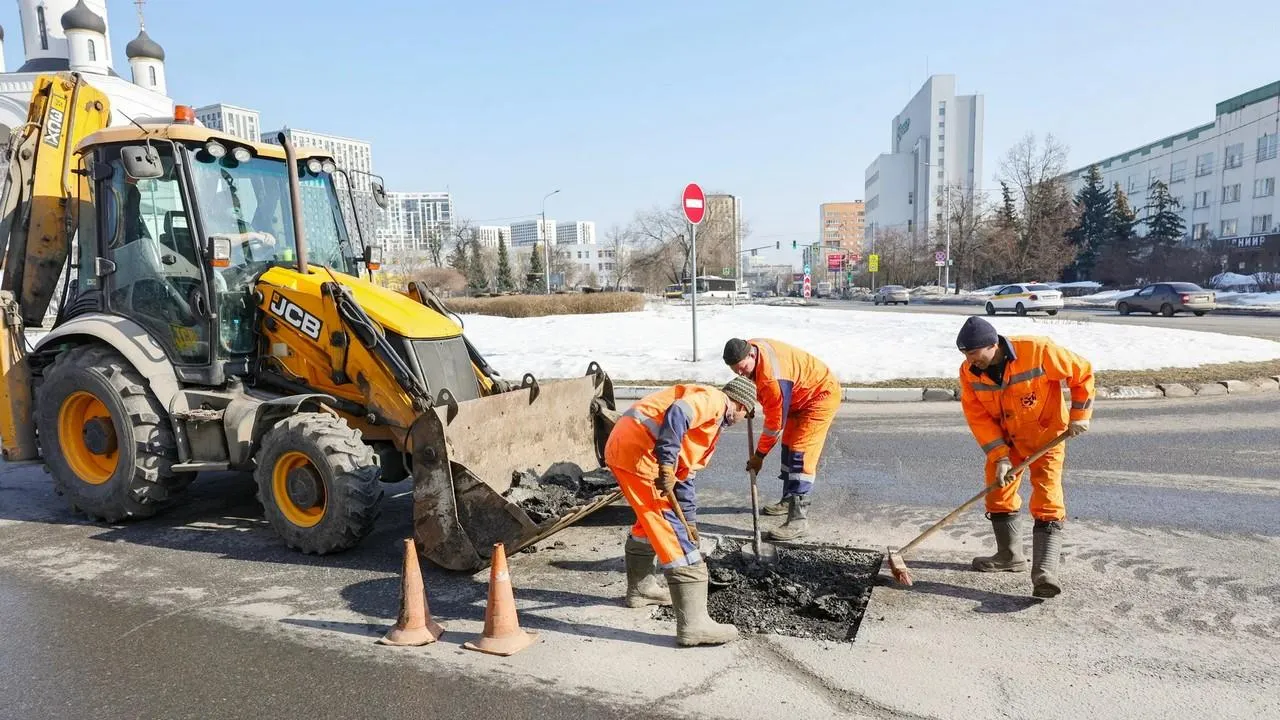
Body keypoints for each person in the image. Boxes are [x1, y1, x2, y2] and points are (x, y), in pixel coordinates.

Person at [604, 377, 758, 647]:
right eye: (747, 412)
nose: (743, 417)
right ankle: (694, 626)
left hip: (628, 448)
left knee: (650, 522)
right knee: (673, 536)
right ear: (740, 403)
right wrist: (665, 465)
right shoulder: (714, 400)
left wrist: (690, 521)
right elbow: (678, 413)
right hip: (641, 456)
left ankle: (641, 589)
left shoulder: (709, 426)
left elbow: (685, 475)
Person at [955, 316, 1095, 599]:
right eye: (965, 354)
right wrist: (1000, 455)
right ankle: (1009, 556)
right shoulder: (970, 372)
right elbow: (978, 417)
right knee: (998, 494)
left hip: (1047, 436)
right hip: (1008, 442)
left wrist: (1080, 415)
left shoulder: (1038, 350)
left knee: (1047, 499)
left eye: (972, 353)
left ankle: (1045, 574)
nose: (969, 360)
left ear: (992, 345)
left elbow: (1082, 373)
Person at [722, 338, 841, 542]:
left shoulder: (772, 379)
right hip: (797, 396)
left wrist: (759, 456)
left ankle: (798, 520)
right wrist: (748, 400)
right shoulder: (749, 349)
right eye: (736, 371)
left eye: (742, 369)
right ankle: (788, 500)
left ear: (751, 355)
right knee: (788, 447)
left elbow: (773, 427)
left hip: (818, 397)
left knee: (799, 454)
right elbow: (760, 387)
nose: (741, 374)